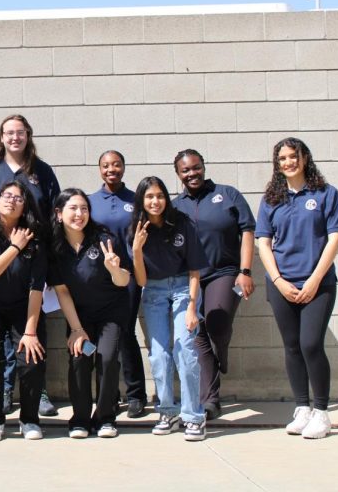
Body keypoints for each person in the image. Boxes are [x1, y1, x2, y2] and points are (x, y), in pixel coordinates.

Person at [256, 137, 338, 440]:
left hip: (317, 284)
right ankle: (303, 408)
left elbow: (335, 238)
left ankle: (322, 412)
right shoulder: (271, 198)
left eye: (293, 156)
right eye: (282, 158)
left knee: (311, 344)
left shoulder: (325, 194)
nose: (287, 162)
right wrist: (279, 281)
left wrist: (314, 280)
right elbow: (263, 242)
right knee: (292, 346)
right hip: (281, 284)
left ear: (304, 158)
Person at [0, 114, 59, 417]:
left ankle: (39, 392)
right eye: (9, 133)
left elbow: (53, 212)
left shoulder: (42, 171)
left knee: (33, 327)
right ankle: (6, 389)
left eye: (20, 132)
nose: (15, 138)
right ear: (1, 137)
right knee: (0, 340)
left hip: (33, 256)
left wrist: (46, 255)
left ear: (28, 135)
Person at [172, 149, 256, 420]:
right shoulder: (175, 206)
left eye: (196, 168)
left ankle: (223, 350)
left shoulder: (227, 194)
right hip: (191, 277)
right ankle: (210, 400)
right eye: (185, 170)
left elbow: (247, 231)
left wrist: (245, 271)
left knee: (217, 321)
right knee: (197, 333)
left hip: (226, 272)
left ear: (203, 167)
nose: (192, 174)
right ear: (178, 174)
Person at [129, 176, 209, 441]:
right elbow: (140, 281)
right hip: (153, 291)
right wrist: (136, 250)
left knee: (185, 349)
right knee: (160, 355)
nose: (155, 201)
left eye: (160, 195)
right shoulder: (137, 229)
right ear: (142, 200)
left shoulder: (182, 223)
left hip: (184, 289)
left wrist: (192, 307)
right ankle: (167, 412)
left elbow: (195, 269)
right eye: (149, 196)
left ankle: (193, 417)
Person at [0, 181, 47, 442]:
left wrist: (30, 330)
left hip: (23, 306)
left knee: (31, 358)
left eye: (18, 197)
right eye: (6, 195)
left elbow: (37, 287)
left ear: (26, 206)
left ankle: (29, 418)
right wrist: (15, 248)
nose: (11, 200)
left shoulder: (35, 236)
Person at [50, 189, 130, 439]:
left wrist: (114, 268)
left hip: (111, 312)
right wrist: (76, 329)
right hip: (80, 315)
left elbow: (123, 280)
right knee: (79, 359)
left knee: (106, 358)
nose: (79, 214)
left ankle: (106, 418)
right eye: (73, 208)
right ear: (59, 214)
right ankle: (80, 419)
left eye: (84, 208)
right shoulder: (54, 246)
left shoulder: (103, 237)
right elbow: (62, 291)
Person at [88, 150, 148, 419]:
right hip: (99, 279)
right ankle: (108, 397)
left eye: (116, 164)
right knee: (103, 337)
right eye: (106, 165)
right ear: (99, 169)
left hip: (129, 276)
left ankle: (136, 395)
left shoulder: (136, 200)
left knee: (125, 332)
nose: (111, 169)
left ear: (124, 167)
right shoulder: (90, 202)